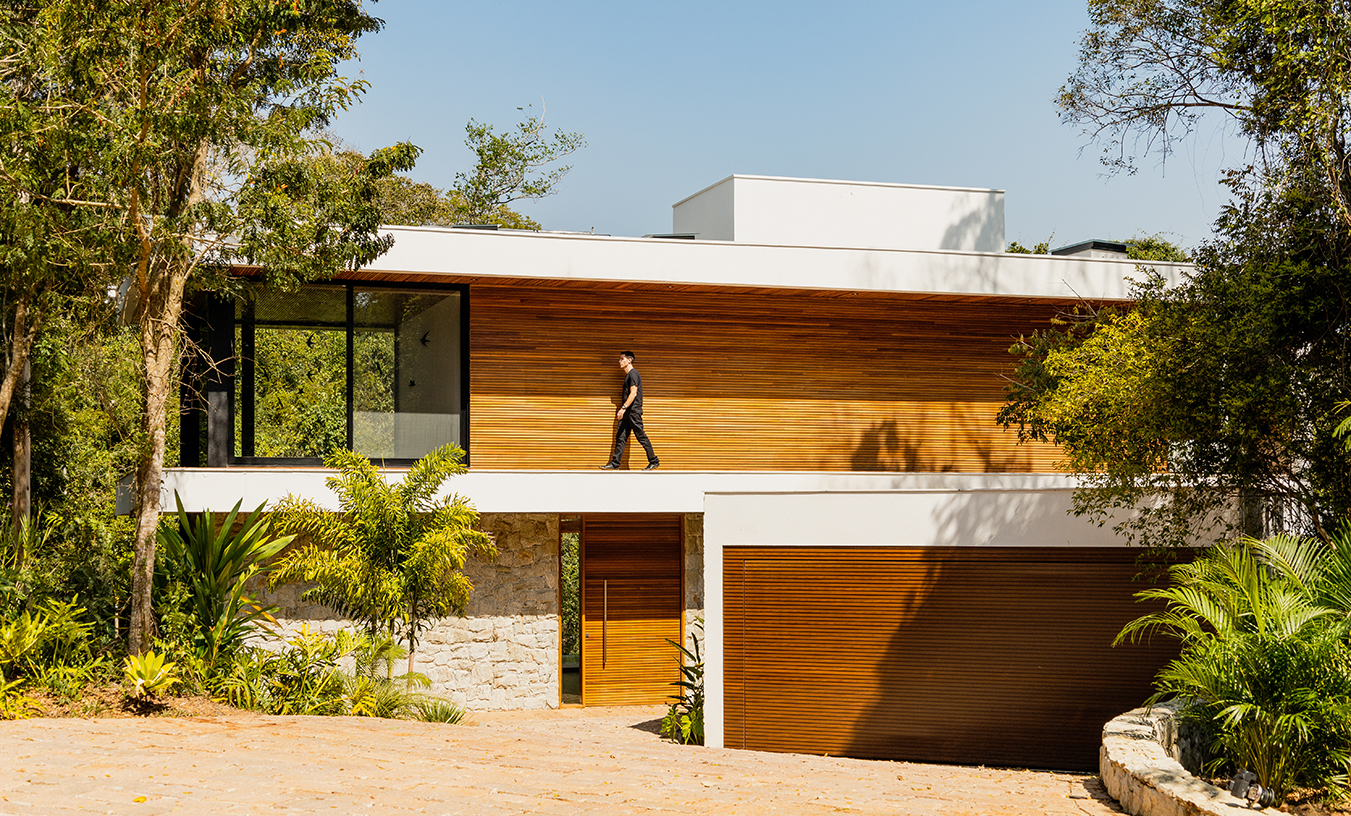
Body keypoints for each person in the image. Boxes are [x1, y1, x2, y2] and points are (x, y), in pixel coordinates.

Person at [600, 351, 660, 470]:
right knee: (621, 437)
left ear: (629, 360)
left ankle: (654, 461)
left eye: (622, 359)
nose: (619, 361)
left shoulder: (633, 374)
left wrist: (623, 408)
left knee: (640, 436)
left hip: (633, 411)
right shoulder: (629, 375)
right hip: (628, 412)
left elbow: (633, 394)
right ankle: (615, 463)